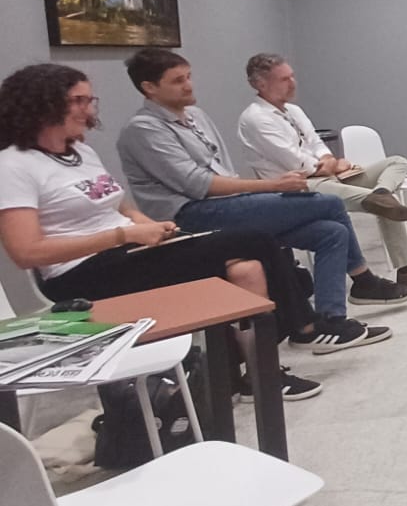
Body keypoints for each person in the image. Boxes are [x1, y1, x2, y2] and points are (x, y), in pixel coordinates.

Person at [0, 64, 322, 398]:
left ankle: (257, 376)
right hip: (80, 273)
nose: (88, 109)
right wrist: (122, 236)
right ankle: (304, 327)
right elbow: (26, 252)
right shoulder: (14, 165)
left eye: (89, 100)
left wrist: (147, 226)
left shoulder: (81, 152)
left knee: (247, 269)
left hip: (128, 251)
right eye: (78, 101)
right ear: (43, 105)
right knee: (255, 239)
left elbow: (121, 207)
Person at [116, 48, 405, 354]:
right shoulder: (143, 129)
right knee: (329, 203)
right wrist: (270, 187)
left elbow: (223, 169)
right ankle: (363, 281)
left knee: (330, 233)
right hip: (189, 215)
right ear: (149, 87)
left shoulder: (195, 116)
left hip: (228, 203)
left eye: (188, 77)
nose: (189, 86)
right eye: (178, 81)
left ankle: (329, 320)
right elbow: (198, 185)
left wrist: (258, 192)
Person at [237, 53, 407, 287]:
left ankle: (382, 193)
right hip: (298, 187)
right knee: (386, 204)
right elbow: (296, 163)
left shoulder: (293, 111)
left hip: (328, 176)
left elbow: (316, 143)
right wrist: (332, 164)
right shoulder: (256, 118)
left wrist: (329, 160)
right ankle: (405, 263)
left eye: (292, 76)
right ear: (261, 84)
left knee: (396, 163)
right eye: (284, 79)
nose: (293, 83)